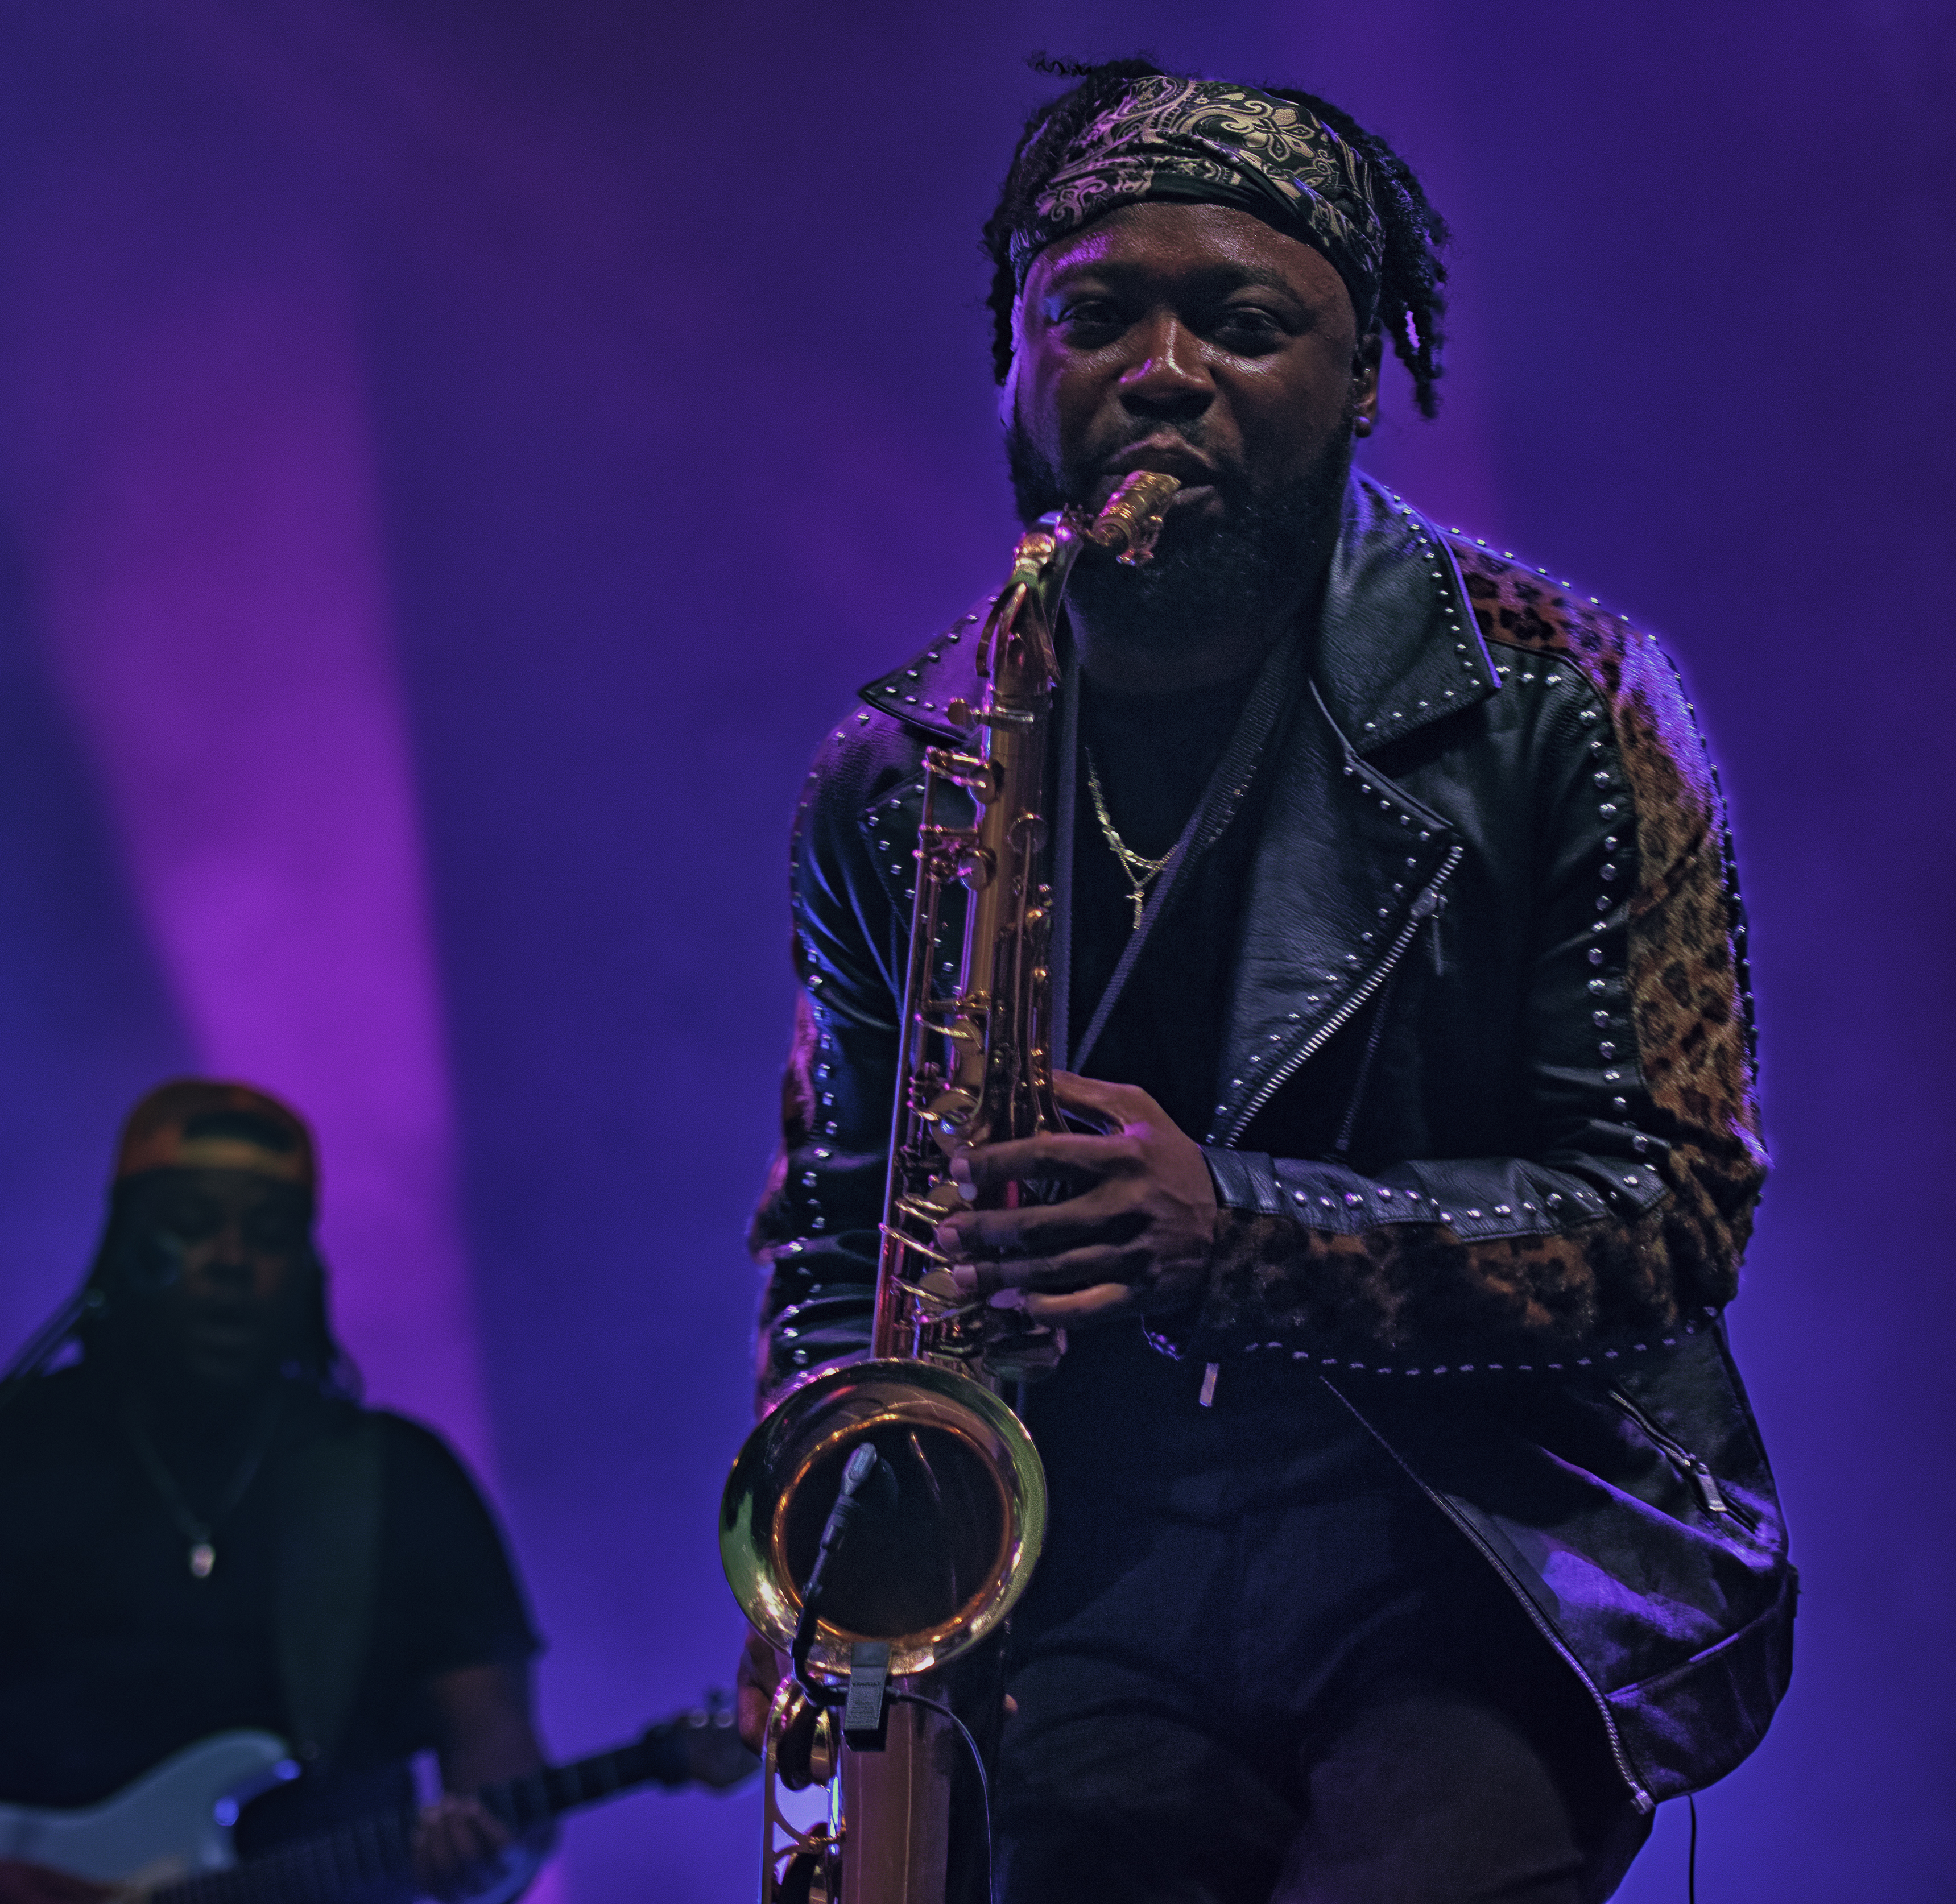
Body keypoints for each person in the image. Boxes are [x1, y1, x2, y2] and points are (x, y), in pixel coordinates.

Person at [735, 56, 1796, 1904]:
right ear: (1012, 346)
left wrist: (1235, 1228)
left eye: (1241, 322)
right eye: (1094, 314)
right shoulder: (902, 773)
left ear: (1361, 374)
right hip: (1093, 1556)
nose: (1161, 370)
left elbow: (1677, 1209)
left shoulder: (1574, 701)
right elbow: (845, 1223)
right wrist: (836, 1583)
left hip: (1493, 1541)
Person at [0, 1081, 552, 1904]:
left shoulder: (399, 1481)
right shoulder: (22, 1450)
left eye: (267, 1234)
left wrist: (493, 1862)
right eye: (191, 1225)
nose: (229, 1258)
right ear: (127, 1248)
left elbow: (501, 1765)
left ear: (305, 1270)